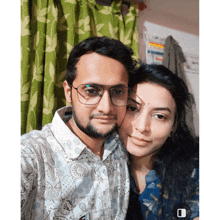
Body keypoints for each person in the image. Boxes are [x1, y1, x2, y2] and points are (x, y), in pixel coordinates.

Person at [21, 36, 137, 220]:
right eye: (91, 90)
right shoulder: (31, 154)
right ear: (68, 91)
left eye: (117, 92)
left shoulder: (125, 144)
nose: (106, 107)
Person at [119, 64, 199, 220]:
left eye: (160, 116)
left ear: (173, 126)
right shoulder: (102, 162)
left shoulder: (195, 168)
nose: (142, 127)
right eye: (132, 108)